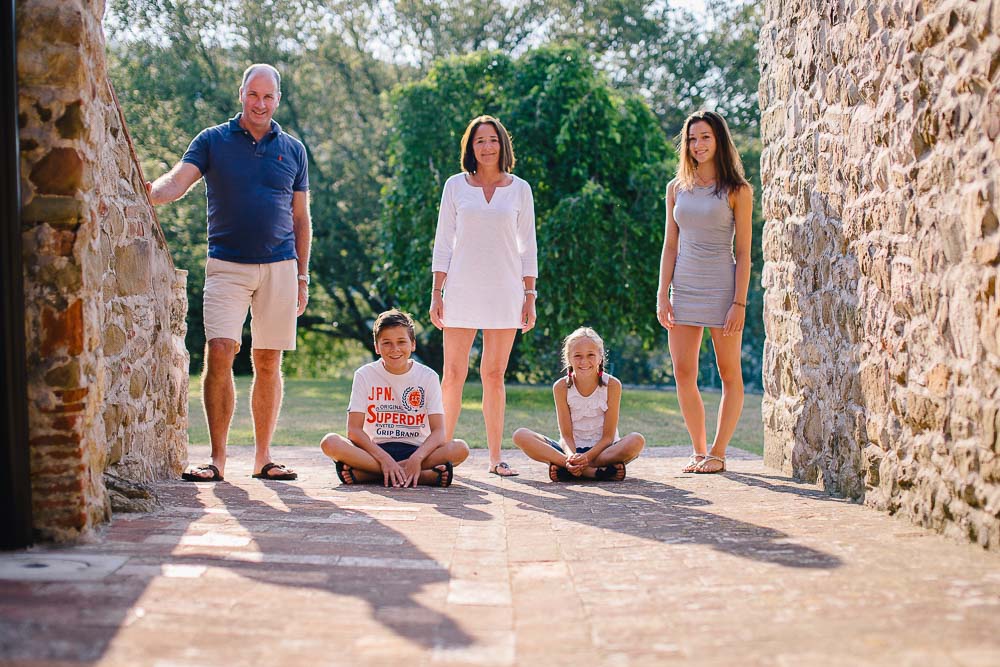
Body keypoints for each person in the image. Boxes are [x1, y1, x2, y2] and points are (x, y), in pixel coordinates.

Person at [147, 63, 311, 482]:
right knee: (220, 351)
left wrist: (303, 277)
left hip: (281, 265)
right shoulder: (212, 141)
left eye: (268, 96)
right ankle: (216, 459)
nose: (260, 103)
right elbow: (177, 181)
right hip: (226, 264)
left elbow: (301, 218)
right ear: (241, 94)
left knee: (268, 360)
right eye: (253, 94)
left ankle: (263, 458)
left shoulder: (293, 149)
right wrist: (151, 192)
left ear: (278, 99)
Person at [429, 115, 538, 477]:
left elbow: (528, 246)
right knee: (453, 374)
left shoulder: (520, 189)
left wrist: (529, 294)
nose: (487, 147)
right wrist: (436, 292)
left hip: (506, 291)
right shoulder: (455, 186)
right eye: (480, 141)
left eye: (493, 140)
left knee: (494, 374)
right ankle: (442, 452)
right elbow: (443, 241)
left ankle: (495, 458)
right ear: (470, 148)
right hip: (460, 289)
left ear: (502, 145)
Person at [656, 110, 752, 474]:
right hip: (684, 285)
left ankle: (719, 451)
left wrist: (738, 303)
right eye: (693, 138)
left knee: (729, 373)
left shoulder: (737, 190)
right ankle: (699, 450)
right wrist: (662, 294)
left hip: (722, 288)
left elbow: (743, 254)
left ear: (719, 141)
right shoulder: (675, 188)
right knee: (683, 372)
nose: (698, 145)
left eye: (706, 137)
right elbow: (670, 245)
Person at [320, 309, 469, 487]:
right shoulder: (364, 374)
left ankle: (370, 474)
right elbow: (354, 431)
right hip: (375, 450)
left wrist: (417, 458)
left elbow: (438, 432)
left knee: (460, 449)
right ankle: (420, 476)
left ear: (413, 344)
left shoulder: (428, 376)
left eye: (401, 342)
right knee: (330, 443)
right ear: (376, 347)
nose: (395, 349)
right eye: (387, 343)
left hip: (417, 449)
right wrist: (384, 459)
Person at [512, 327, 645, 481]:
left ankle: (571, 469)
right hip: (570, 450)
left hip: (604, 451)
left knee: (637, 440)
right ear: (568, 358)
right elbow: (566, 435)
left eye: (590, 355)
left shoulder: (613, 385)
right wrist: (570, 457)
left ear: (600, 357)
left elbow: (608, 437)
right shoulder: (560, 387)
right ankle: (589, 471)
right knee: (520, 435)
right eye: (578, 356)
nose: (584, 361)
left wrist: (587, 458)